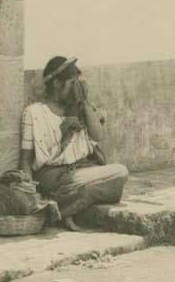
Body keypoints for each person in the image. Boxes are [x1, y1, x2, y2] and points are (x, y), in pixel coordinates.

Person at [20, 56, 129, 231]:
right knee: (117, 179)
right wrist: (30, 194)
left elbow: (97, 135)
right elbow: (25, 160)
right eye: (72, 84)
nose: (76, 89)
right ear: (56, 84)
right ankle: (68, 205)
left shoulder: (80, 108)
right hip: (53, 176)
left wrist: (84, 102)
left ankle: (63, 207)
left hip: (80, 171)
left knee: (119, 175)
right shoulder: (34, 113)